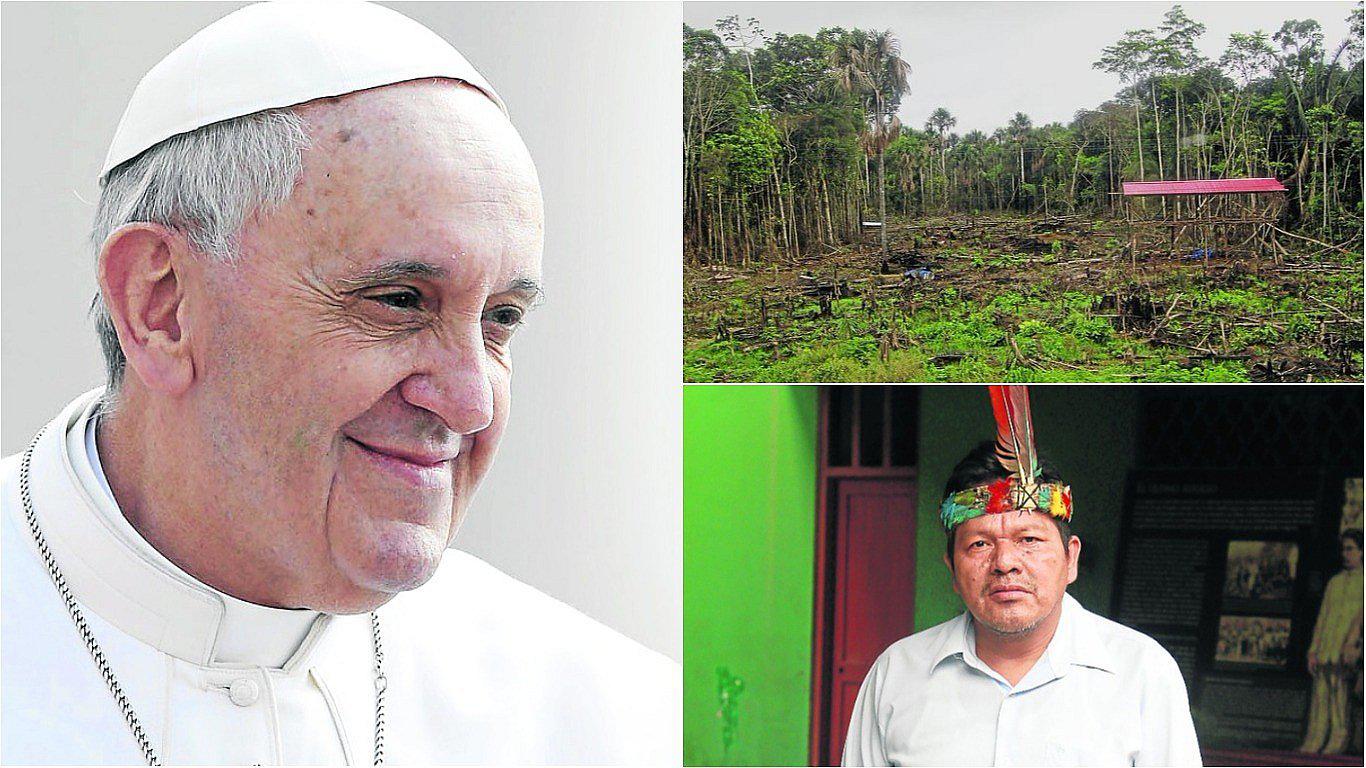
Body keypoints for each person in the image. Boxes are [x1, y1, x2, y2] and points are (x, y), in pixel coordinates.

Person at [0, 2, 676, 764]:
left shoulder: (615, 719)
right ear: (161, 306)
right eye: (400, 301)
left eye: (501, 320)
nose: (471, 402)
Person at [842, 393, 1201, 767]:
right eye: (980, 544)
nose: (1005, 563)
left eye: (1028, 539)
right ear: (952, 570)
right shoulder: (897, 674)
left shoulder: (1141, 672)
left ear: (1071, 558)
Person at [1298, 528, 1364, 755]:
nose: (1346, 554)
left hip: (1345, 651)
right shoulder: (1334, 582)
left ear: (1362, 551)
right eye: (1344, 549)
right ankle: (1314, 738)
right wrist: (1313, 650)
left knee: (1339, 699)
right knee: (1320, 698)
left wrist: (1355, 647)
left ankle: (1338, 738)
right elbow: (1322, 617)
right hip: (1325, 649)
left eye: (1350, 549)